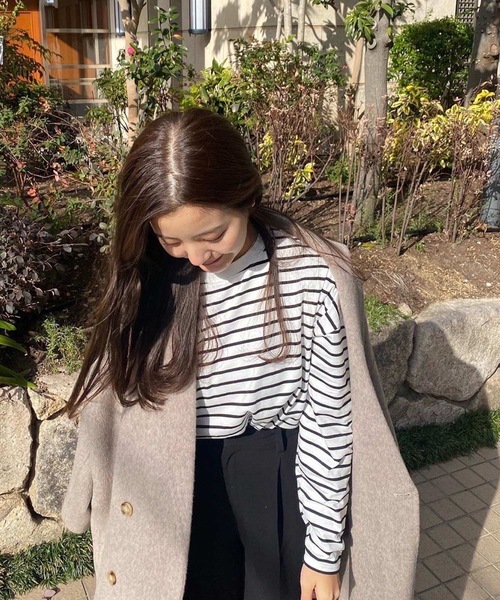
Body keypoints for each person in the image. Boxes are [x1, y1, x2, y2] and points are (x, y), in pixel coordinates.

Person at [61, 108, 419, 600]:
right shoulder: (150, 273)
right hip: (169, 484)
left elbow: (329, 420)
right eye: (172, 240)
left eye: (213, 235)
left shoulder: (312, 275)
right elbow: (111, 395)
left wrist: (323, 551)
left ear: (246, 196)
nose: (197, 257)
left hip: (275, 476)